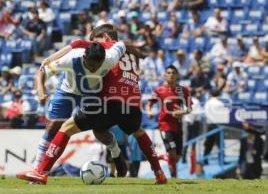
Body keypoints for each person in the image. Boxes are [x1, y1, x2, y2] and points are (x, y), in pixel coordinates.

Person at [17, 24, 167, 184]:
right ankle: (158, 173)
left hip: (106, 101)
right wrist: (137, 47)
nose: (92, 44)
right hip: (132, 104)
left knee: (66, 129)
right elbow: (126, 47)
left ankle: (41, 172)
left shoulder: (107, 53)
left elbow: (80, 43)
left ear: (106, 39)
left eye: (95, 41)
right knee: (136, 131)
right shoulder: (125, 54)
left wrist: (53, 56)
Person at [25, 40, 126, 171]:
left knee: (99, 131)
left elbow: (122, 44)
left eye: (97, 66)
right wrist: (40, 91)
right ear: (84, 57)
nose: (94, 69)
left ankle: (115, 151)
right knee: (53, 125)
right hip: (67, 91)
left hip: (91, 94)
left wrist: (136, 50)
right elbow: (41, 72)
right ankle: (37, 169)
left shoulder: (110, 58)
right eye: (91, 65)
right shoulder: (71, 58)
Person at [146, 65, 192, 178]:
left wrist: (182, 112)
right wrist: (149, 112)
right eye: (169, 73)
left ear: (177, 75)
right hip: (165, 125)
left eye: (173, 73)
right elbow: (149, 104)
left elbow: (190, 108)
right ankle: (174, 179)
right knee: (172, 152)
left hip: (178, 125)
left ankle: (159, 157)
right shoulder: (159, 90)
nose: (171, 75)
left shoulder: (184, 90)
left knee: (177, 157)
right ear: (165, 75)